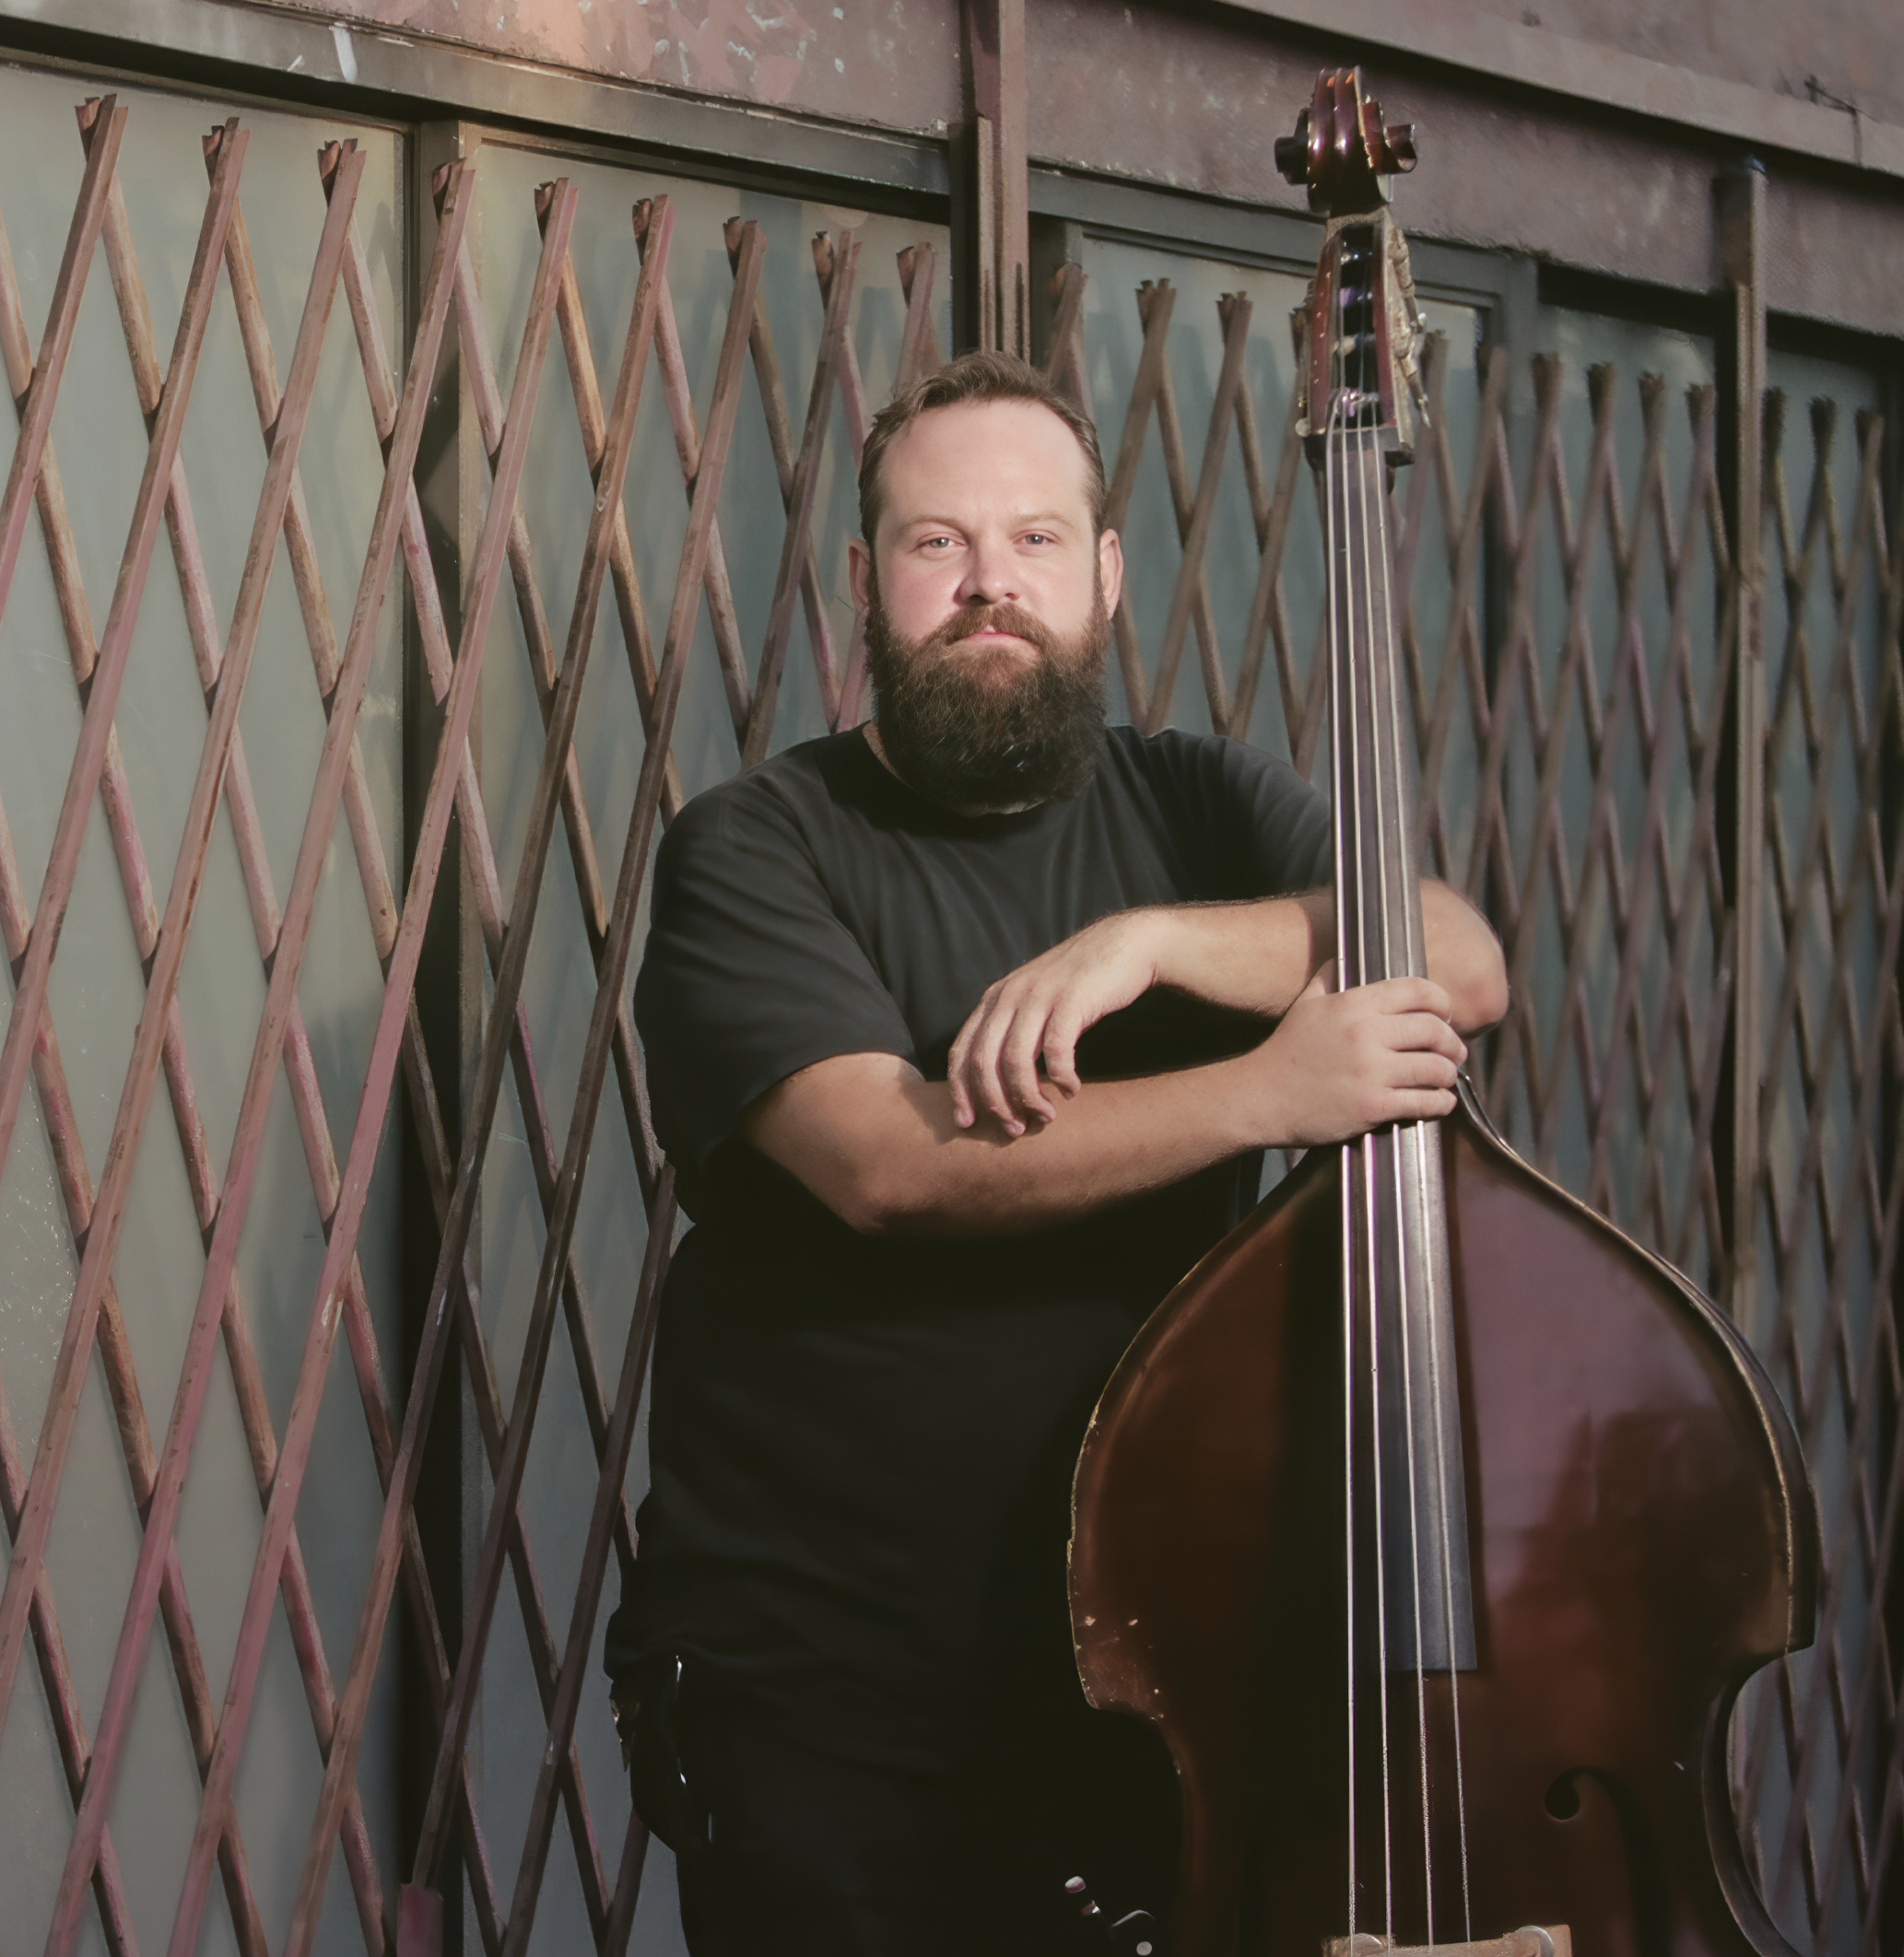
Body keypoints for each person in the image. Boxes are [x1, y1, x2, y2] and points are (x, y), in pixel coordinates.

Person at [602, 351, 1509, 1954]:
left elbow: (1457, 953)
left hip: (1153, 1670)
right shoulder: (755, 843)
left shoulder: (1201, 803)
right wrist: (1263, 1090)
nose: (983, 586)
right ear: (868, 585)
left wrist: (1154, 944)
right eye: (934, 544)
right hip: (830, 1700)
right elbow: (889, 1164)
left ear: (1101, 574)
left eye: (1030, 541)